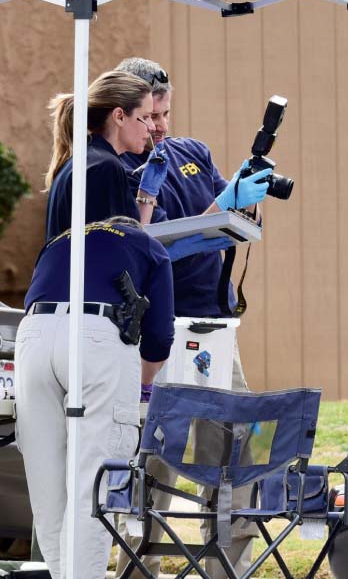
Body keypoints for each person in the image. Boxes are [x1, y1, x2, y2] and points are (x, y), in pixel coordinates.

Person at [113, 57, 270, 579]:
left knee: (237, 447)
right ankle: (139, 567)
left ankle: (229, 565)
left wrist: (243, 199)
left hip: (217, 326)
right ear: (126, 113)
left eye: (165, 112)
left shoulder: (191, 153)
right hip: (157, 329)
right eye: (150, 115)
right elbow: (151, 246)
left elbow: (225, 218)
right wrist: (217, 212)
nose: (158, 125)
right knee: (153, 457)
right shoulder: (122, 167)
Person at [15, 217, 174, 579]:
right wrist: (141, 386)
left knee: (47, 483)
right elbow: (160, 337)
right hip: (97, 334)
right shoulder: (148, 246)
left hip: (33, 335)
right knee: (94, 485)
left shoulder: (60, 239)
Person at [44, 70, 168, 240]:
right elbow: (113, 250)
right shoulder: (104, 167)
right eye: (146, 117)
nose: (152, 127)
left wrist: (147, 194)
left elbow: (129, 238)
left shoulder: (88, 159)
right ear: (119, 117)